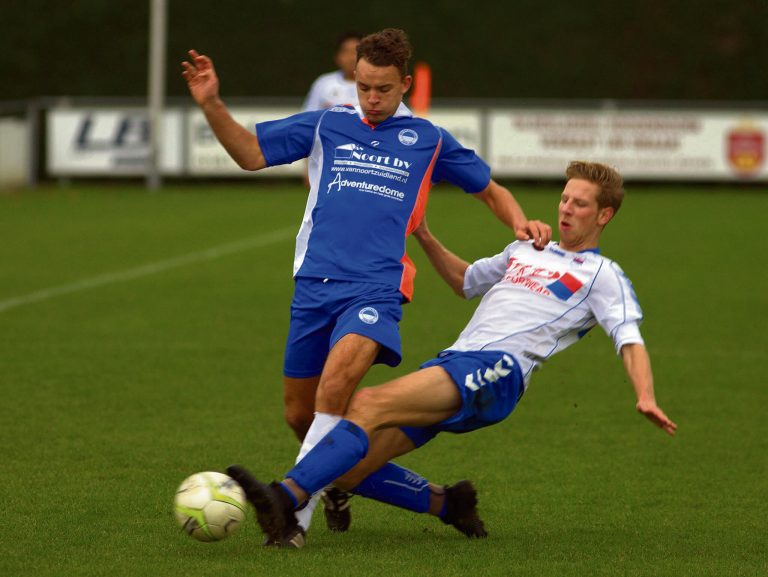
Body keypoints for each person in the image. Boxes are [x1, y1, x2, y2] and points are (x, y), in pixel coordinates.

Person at [182, 28, 551, 544]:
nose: (371, 99)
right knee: (303, 417)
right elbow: (249, 153)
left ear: (405, 84)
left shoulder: (428, 139)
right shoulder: (327, 124)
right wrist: (211, 103)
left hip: (376, 289)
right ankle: (441, 502)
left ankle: (291, 521)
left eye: (383, 89)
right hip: (314, 285)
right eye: (363, 87)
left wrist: (518, 221)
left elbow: (490, 190)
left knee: (335, 392)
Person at [226, 160, 678, 548]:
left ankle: (285, 498)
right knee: (347, 470)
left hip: (498, 371)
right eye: (564, 199)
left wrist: (646, 395)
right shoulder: (526, 249)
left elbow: (628, 338)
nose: (565, 209)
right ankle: (449, 503)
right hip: (456, 362)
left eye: (579, 204)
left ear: (604, 215)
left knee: (366, 404)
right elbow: (465, 281)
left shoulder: (603, 275)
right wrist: (424, 234)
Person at [302, 32, 361, 112]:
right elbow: (309, 114)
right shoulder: (323, 83)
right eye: (346, 52)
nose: (351, 58)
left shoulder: (373, 84)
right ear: (337, 57)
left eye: (355, 52)